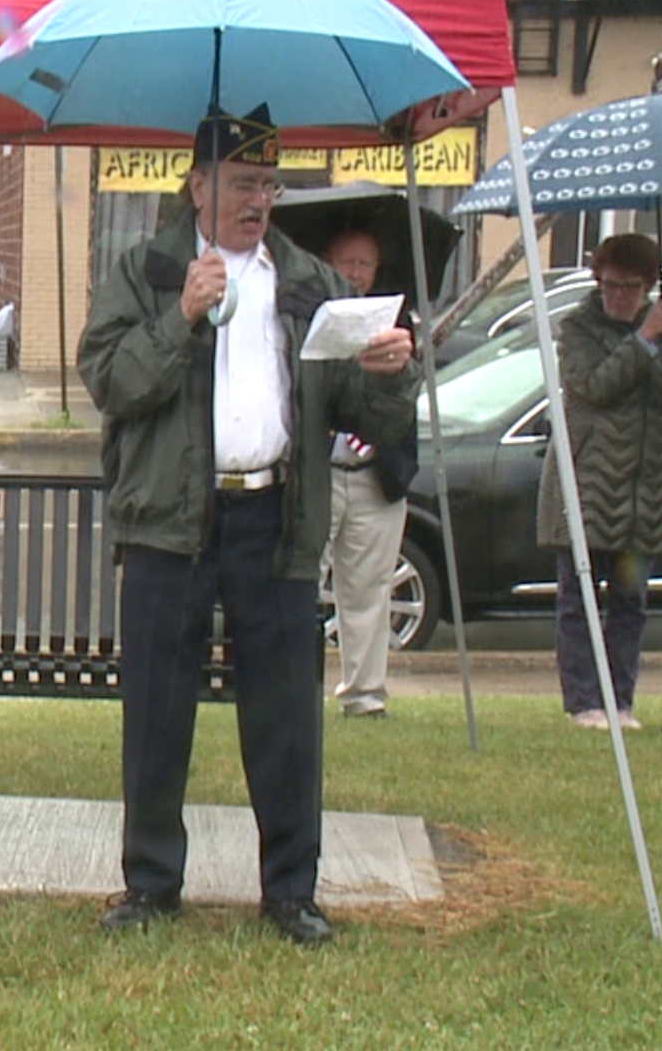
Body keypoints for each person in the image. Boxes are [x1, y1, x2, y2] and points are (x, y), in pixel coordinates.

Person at [78, 104, 419, 945]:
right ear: (198, 186)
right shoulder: (146, 271)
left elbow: (355, 409)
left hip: (277, 516)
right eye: (241, 182)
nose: (258, 199)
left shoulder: (308, 280)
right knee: (158, 709)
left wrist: (387, 373)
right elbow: (111, 383)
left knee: (285, 718)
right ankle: (152, 883)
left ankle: (291, 892)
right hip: (169, 521)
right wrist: (180, 317)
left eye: (269, 183)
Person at [539, 234, 662, 732]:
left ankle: (620, 700)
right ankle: (583, 701)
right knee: (579, 598)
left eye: (629, 287)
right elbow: (593, 388)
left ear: (649, 285)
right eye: (608, 285)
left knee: (631, 600)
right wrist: (643, 340)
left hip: (645, 492)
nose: (617, 296)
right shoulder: (578, 329)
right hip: (587, 485)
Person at [321, 227, 420, 719]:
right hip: (317, 473)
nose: (356, 273)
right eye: (346, 262)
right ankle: (294, 690)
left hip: (374, 474)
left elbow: (406, 403)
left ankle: (364, 697)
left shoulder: (395, 324)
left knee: (369, 590)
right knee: (300, 588)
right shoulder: (310, 321)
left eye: (366, 264)